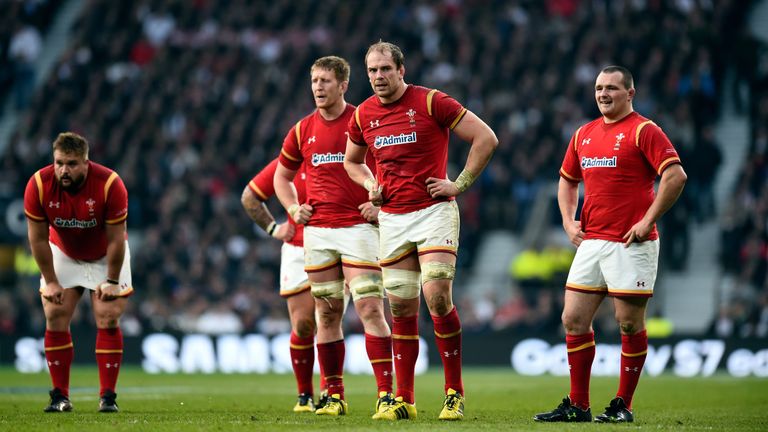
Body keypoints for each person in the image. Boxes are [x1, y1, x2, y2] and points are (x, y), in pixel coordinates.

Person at [344, 41, 498, 421]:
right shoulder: (363, 115)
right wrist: (369, 185)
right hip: (393, 219)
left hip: (434, 213)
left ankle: (454, 393)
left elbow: (486, 138)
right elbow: (352, 161)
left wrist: (458, 184)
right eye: (372, 71)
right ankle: (405, 400)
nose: (378, 77)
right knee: (400, 309)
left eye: (384, 69)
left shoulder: (431, 102)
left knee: (437, 296)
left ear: (401, 69)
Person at [534, 66, 687, 423]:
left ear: (630, 93)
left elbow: (675, 175)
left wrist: (648, 219)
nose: (603, 94)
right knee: (572, 319)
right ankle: (578, 405)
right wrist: (567, 220)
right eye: (599, 88)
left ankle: (623, 405)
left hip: (631, 243)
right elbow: (567, 181)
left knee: (628, 324)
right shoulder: (583, 133)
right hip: (592, 241)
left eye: (612, 88)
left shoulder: (644, 130)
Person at [274, 55, 393, 418]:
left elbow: (392, 162)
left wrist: (380, 204)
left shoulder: (363, 120)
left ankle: (388, 395)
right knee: (327, 315)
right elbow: (281, 178)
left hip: (358, 230)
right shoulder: (300, 130)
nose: (318, 88)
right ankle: (333, 395)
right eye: (314, 81)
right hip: (319, 233)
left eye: (325, 81)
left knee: (370, 308)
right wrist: (294, 210)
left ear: (343, 85)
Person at [24, 132, 133, 413]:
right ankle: (59, 396)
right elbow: (37, 239)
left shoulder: (110, 184)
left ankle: (107, 397)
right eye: (59, 163)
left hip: (105, 254)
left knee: (108, 316)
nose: (64, 170)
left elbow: (115, 239)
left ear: (86, 162)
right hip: (63, 250)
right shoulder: (38, 184)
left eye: (71, 164)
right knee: (54, 313)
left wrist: (110, 280)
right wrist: (50, 281)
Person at [241, 157, 328, 413]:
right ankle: (304, 395)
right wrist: (273, 228)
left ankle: (332, 392)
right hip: (297, 250)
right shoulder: (291, 161)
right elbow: (250, 196)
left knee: (328, 322)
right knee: (303, 325)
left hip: (336, 245)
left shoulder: (348, 154)